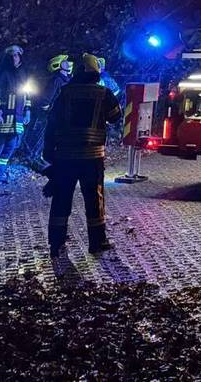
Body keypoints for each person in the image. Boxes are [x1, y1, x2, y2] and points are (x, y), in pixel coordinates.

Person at [44, 52, 121, 256]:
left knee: (61, 198)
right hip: (91, 157)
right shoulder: (103, 93)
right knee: (94, 200)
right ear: (96, 73)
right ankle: (97, 242)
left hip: (65, 157)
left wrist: (48, 153)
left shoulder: (65, 92)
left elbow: (51, 123)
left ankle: (56, 242)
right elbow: (115, 117)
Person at [22, 54, 74, 169]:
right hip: (50, 116)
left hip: (62, 115)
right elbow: (46, 100)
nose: (68, 63)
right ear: (58, 65)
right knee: (41, 138)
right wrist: (49, 111)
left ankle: (45, 159)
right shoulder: (56, 80)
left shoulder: (67, 80)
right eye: (65, 62)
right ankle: (34, 160)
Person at [0, 44, 32, 182]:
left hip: (18, 115)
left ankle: (0, 171)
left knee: (11, 144)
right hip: (4, 114)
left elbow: (28, 93)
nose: (14, 58)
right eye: (11, 56)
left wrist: (28, 111)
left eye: (16, 55)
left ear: (20, 56)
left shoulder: (24, 73)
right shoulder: (4, 73)